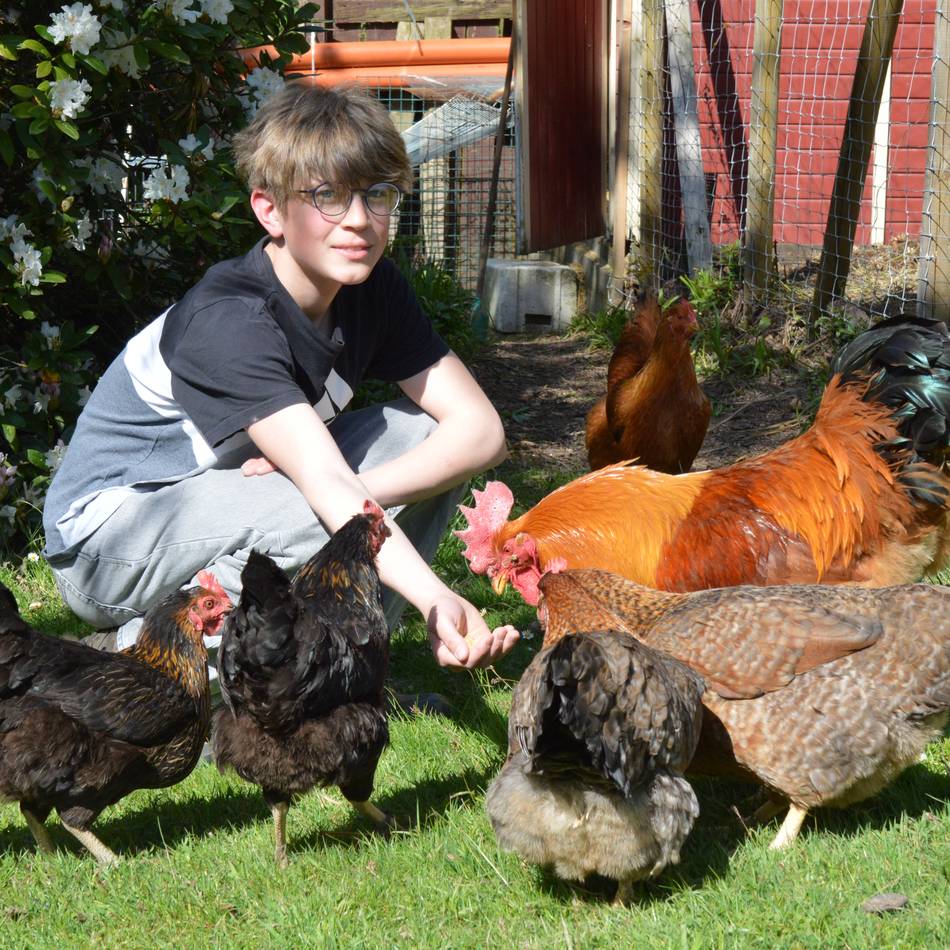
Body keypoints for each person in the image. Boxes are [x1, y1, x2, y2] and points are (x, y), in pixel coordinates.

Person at [42, 82, 519, 672]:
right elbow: (324, 484)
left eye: (377, 194)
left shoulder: (373, 289)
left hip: (226, 498)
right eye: (327, 196)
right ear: (269, 210)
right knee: (318, 496)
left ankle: (350, 670)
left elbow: (481, 432)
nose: (359, 220)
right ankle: (145, 655)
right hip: (107, 540)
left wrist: (365, 491)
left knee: (424, 441)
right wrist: (434, 595)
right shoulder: (230, 319)